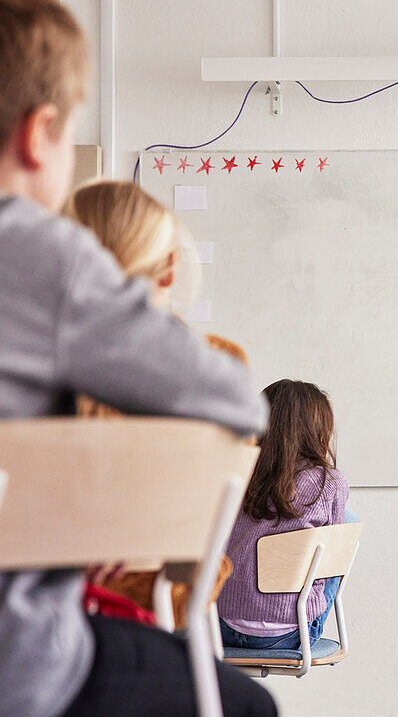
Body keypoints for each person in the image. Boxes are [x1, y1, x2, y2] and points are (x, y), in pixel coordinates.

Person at [0, 0, 276, 715]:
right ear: (40, 133)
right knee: (249, 706)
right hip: (22, 667)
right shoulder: (36, 255)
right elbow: (238, 403)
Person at [64, 180, 245, 627]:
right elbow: (199, 570)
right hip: (155, 610)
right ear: (169, 269)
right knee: (251, 703)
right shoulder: (217, 371)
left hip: (31, 619)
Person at [218, 379, 350, 650]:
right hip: (289, 633)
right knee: (346, 525)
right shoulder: (328, 482)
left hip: (221, 627)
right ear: (318, 430)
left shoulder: (237, 472)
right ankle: (300, 615)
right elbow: (325, 572)